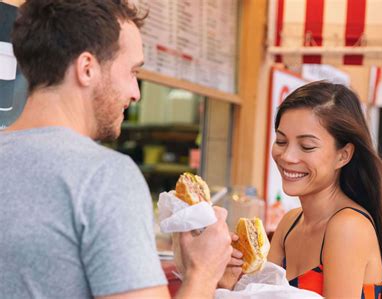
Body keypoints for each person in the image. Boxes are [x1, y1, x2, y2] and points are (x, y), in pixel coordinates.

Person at [0, 1, 234, 298]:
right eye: (133, 72)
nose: (135, 93)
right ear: (87, 69)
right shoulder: (105, 176)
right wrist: (204, 271)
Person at [219, 81, 382, 298]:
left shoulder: (348, 227)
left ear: (343, 155)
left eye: (307, 146)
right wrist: (227, 283)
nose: (287, 156)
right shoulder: (289, 223)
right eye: (281, 141)